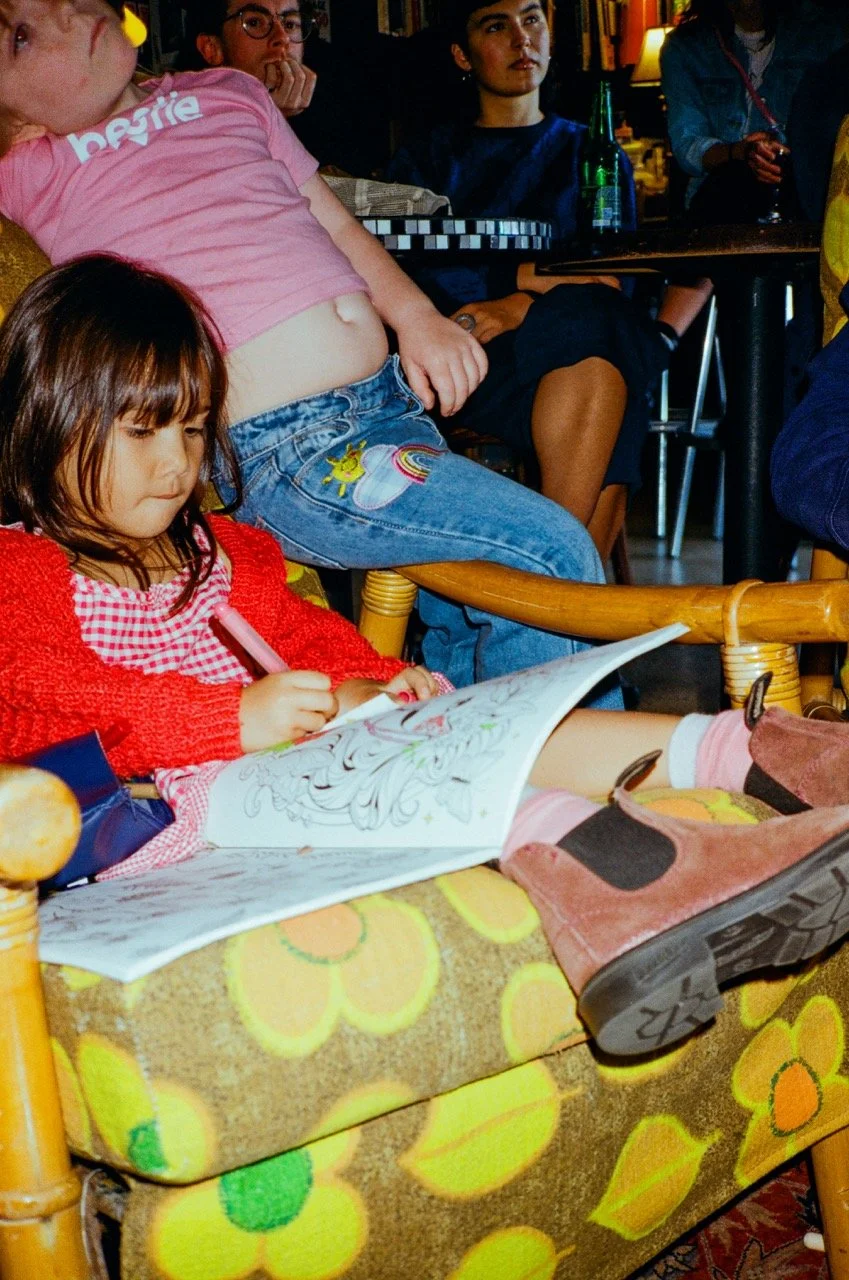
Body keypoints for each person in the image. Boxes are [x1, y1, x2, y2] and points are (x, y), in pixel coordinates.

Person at [7, 254, 849, 1057]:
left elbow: (305, 638)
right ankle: (630, 896)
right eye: (141, 432)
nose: (175, 463)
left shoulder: (223, 551)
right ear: (46, 423)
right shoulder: (20, 567)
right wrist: (230, 720)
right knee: (407, 769)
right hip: (161, 819)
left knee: (475, 725)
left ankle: (768, 756)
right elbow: (45, 702)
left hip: (292, 774)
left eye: (192, 429)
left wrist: (370, 679)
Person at [0, 0, 627, 695]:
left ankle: (462, 745)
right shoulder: (28, 167)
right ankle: (583, 754)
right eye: (21, 37)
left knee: (471, 605)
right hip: (282, 449)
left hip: (389, 405)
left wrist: (417, 317)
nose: (63, 17)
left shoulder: (229, 91)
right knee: (548, 548)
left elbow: (332, 222)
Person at [386, 0, 711, 558]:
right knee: (610, 353)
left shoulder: (592, 152)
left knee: (596, 327)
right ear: (462, 55)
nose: (522, 39)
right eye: (497, 25)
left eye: (532, 19)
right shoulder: (428, 159)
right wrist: (529, 279)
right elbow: (418, 274)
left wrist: (519, 303)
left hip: (573, 342)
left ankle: (546, 572)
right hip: (471, 359)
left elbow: (610, 278)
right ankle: (568, 579)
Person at [660, 0, 846, 223]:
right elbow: (688, 143)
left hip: (803, 201)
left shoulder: (825, 34)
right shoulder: (686, 46)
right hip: (722, 203)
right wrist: (740, 152)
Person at [179, 0, 318, 121]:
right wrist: (270, 116)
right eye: (254, 23)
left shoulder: (326, 110)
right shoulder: (185, 121)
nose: (283, 37)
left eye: (290, 25)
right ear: (211, 48)